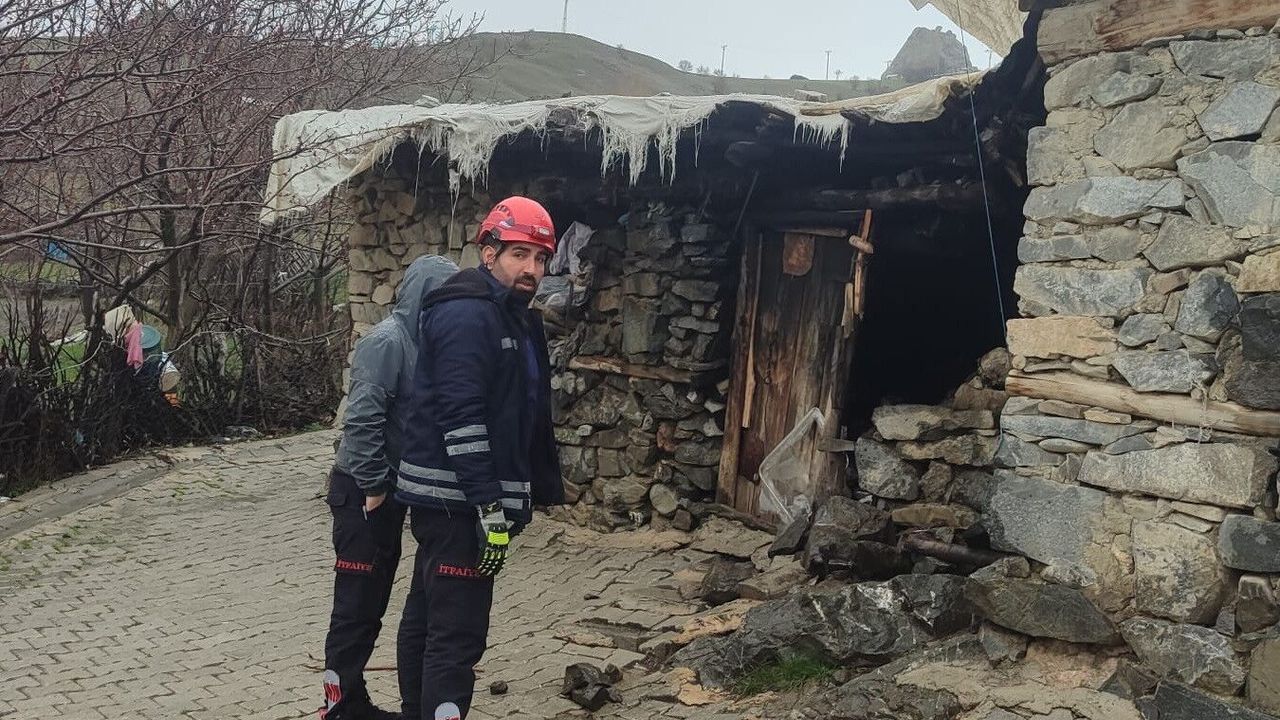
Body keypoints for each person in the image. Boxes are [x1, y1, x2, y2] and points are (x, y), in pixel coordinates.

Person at [394, 197, 565, 720]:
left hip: (455, 500)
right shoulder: (469, 312)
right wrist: (488, 506)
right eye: (519, 254)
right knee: (456, 634)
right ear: (488, 253)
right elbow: (462, 416)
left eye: (540, 258)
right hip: (459, 503)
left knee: (429, 618)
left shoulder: (506, 313)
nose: (532, 269)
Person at [321, 254, 458, 720]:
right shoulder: (386, 342)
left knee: (373, 602)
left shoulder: (424, 345)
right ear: (421, 296)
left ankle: (352, 701)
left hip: (388, 493)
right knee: (355, 606)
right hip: (363, 493)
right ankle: (338, 706)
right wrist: (374, 485)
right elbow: (362, 420)